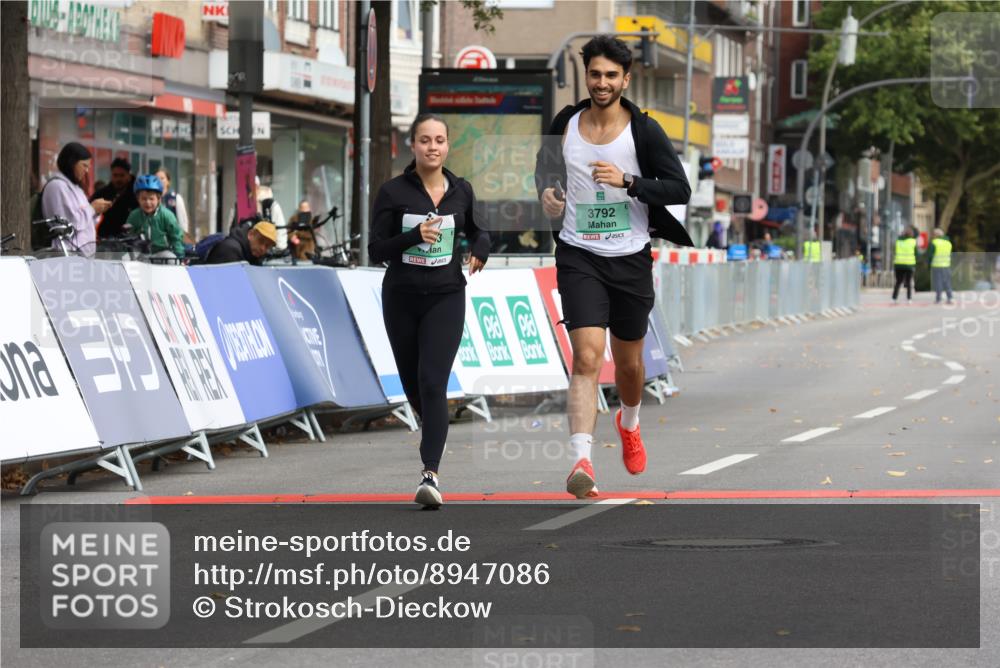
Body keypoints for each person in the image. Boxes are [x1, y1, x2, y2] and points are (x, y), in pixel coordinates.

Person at [534, 36, 692, 499]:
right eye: (594, 74)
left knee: (628, 366)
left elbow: (679, 188)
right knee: (585, 357)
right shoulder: (565, 123)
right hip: (578, 253)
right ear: (587, 77)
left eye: (610, 75)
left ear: (625, 79)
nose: (601, 83)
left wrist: (630, 181)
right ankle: (581, 459)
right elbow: (543, 174)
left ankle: (630, 422)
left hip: (629, 257)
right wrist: (548, 196)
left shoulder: (643, 130)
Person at [369, 113, 491, 508]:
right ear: (414, 146)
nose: (432, 146)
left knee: (433, 381)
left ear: (448, 145)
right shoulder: (393, 192)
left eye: (439, 140)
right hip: (401, 298)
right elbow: (376, 249)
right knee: (414, 385)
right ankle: (433, 424)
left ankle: (430, 473)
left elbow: (479, 230)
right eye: (425, 140)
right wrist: (412, 236)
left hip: (446, 295)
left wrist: (481, 250)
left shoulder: (462, 191)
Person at [40, 142, 108, 257]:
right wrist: (92, 208)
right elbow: (70, 223)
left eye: (88, 166)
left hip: (81, 255)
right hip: (66, 254)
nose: (86, 171)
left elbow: (84, 221)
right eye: (84, 165)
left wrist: (96, 211)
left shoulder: (76, 188)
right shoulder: (57, 186)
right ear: (71, 163)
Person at [124, 174, 185, 259]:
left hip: (162, 253)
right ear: (138, 199)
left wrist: (180, 256)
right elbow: (128, 236)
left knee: (171, 260)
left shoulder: (167, 215)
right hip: (140, 253)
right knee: (125, 258)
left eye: (151, 199)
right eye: (144, 199)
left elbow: (176, 237)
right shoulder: (134, 216)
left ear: (159, 199)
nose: (148, 203)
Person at [92, 156, 139, 239]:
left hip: (131, 240)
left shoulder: (137, 194)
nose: (118, 179)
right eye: (115, 175)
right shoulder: (103, 194)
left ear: (128, 175)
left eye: (122, 175)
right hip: (106, 241)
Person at [205, 220, 277, 265]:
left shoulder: (253, 256)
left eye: (267, 246)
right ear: (250, 234)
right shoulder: (231, 249)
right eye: (261, 241)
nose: (263, 248)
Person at [155, 168, 191, 243]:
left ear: (168, 182)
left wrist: (182, 237)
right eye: (156, 178)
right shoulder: (152, 199)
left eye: (162, 178)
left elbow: (183, 221)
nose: (159, 181)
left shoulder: (175, 198)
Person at [929, 227, 953, 304]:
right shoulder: (948, 243)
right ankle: (950, 297)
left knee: (938, 282)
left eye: (933, 234)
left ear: (936, 235)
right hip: (946, 265)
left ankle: (938, 299)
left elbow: (930, 255)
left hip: (937, 265)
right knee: (947, 282)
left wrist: (928, 263)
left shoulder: (934, 243)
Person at [892, 227, 917, 303]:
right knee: (908, 282)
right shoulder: (913, 242)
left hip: (898, 264)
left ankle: (894, 298)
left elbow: (894, 250)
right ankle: (909, 298)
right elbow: (916, 253)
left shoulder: (898, 241)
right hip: (909, 265)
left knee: (898, 282)